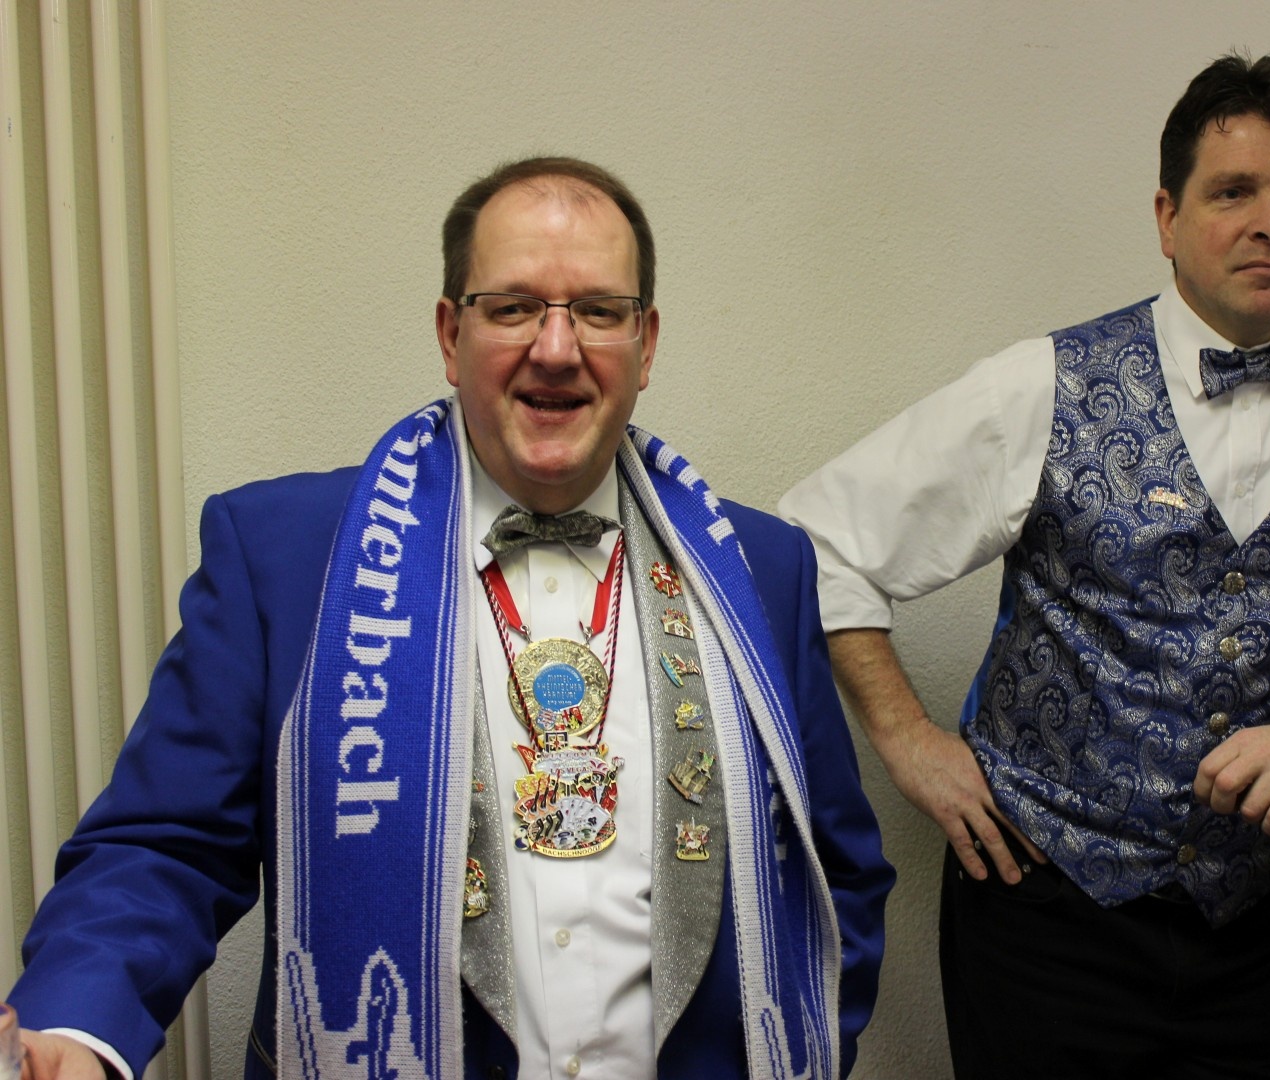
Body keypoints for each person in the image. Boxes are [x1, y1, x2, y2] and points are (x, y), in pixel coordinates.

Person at [9, 156, 892, 1080]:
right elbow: (164, 848)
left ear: (646, 342)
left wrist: (813, 1043)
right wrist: (78, 1027)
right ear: (449, 333)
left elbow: (837, 872)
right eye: (513, 307)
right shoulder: (280, 559)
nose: (557, 348)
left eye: (599, 311)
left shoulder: (762, 568)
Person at [779, 53, 1270, 1079]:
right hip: (1043, 913)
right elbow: (812, 541)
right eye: (1234, 192)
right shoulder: (1044, 383)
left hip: (1248, 927)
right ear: (1167, 218)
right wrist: (908, 741)